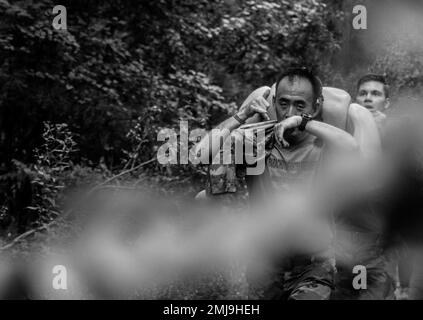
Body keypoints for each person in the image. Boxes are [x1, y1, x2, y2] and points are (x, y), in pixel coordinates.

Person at [196, 67, 359, 300]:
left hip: (314, 263)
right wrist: (241, 117)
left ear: (316, 106)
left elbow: (352, 148)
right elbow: (200, 155)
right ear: (273, 102)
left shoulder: (324, 143)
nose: (288, 111)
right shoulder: (257, 142)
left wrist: (302, 122)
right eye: (283, 103)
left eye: (299, 105)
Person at [332, 74, 398, 300]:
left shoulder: (398, 136)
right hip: (341, 235)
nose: (368, 98)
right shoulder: (341, 132)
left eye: (376, 94)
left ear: (386, 103)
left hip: (379, 241)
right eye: (363, 93)